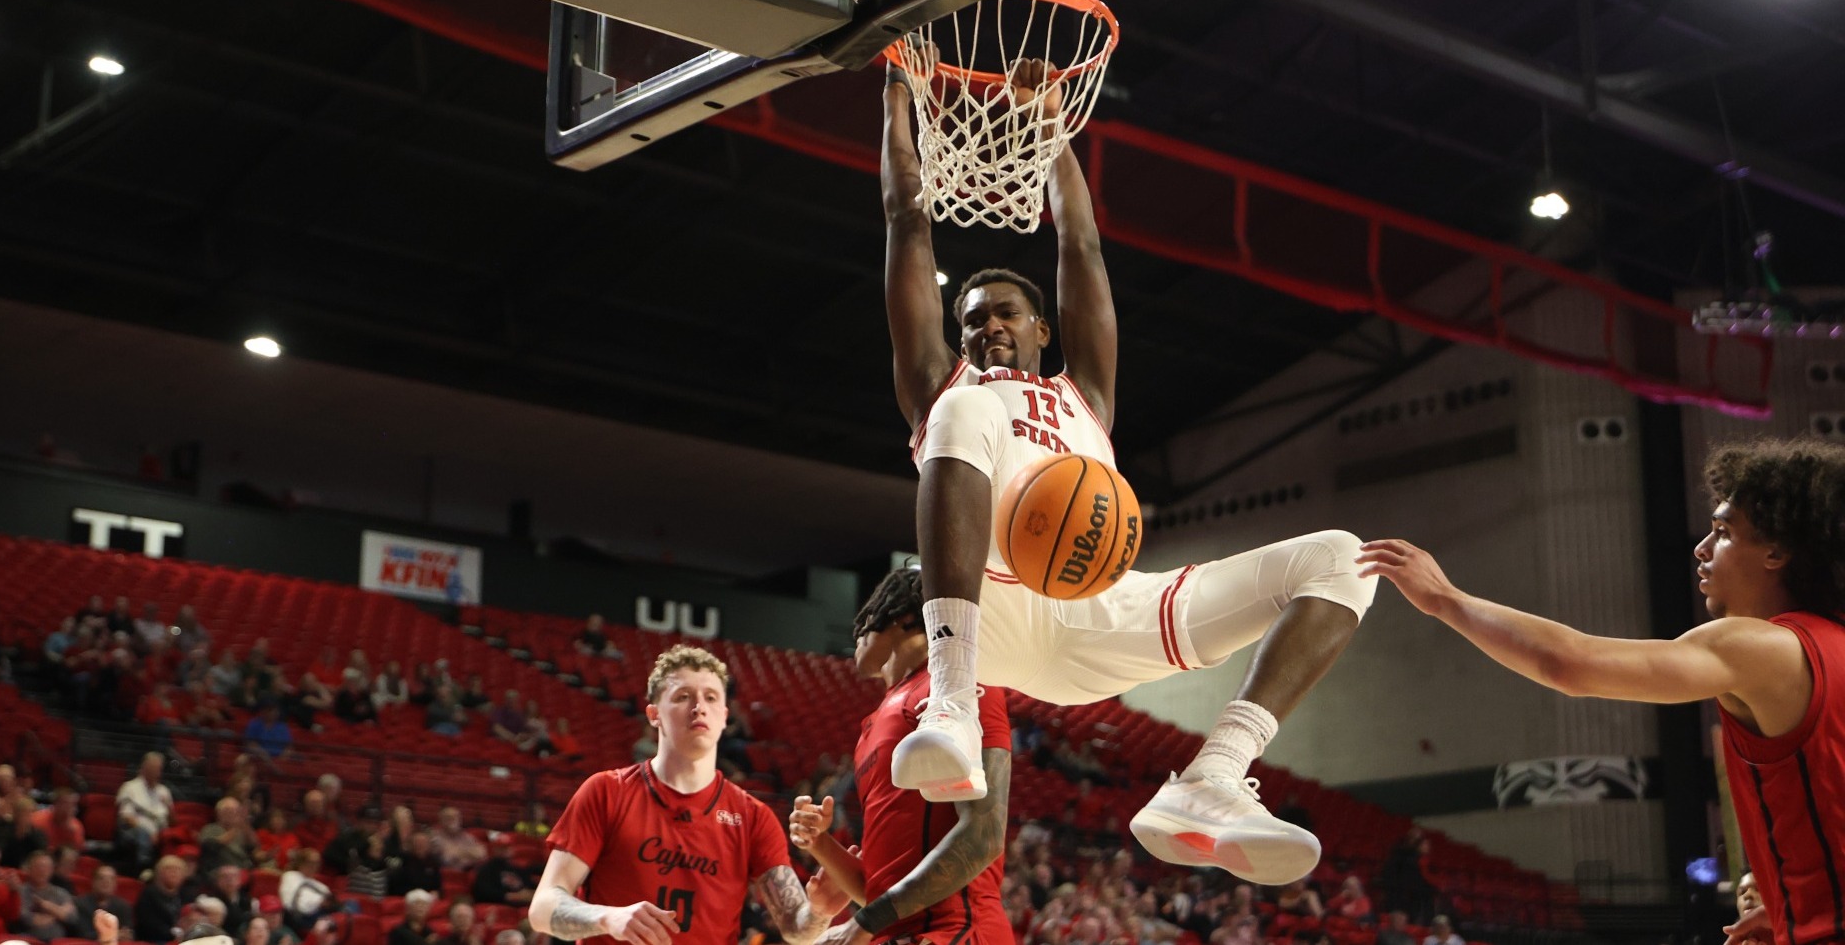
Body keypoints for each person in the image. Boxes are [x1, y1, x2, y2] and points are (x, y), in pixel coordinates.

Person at [877, 65, 1375, 885]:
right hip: (990, 610)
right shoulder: (945, 387)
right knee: (964, 415)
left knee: (1344, 556)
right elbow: (906, 219)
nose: (988, 327)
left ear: (1042, 325)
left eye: (1005, 312)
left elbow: (1080, 243)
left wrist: (1052, 127)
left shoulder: (1086, 396)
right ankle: (953, 702)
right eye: (972, 319)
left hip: (1095, 607)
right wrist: (896, 99)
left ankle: (1214, 775)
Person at [1355, 437, 1845, 945]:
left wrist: (1445, 599)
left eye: (1723, 532)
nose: (1701, 548)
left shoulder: (1760, 647)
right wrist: (1796, 906)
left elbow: (1570, 663)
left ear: (1778, 551)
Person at [529, 645, 848, 945]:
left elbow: (796, 929)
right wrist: (607, 917)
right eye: (683, 696)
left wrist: (820, 912)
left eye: (711, 698)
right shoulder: (606, 792)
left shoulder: (753, 816)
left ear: (725, 716)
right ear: (654, 714)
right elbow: (542, 908)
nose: (699, 707)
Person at [787, 566, 1014, 945]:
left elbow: (984, 837)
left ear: (904, 617)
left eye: (866, 622)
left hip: (955, 929)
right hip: (897, 931)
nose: (856, 635)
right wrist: (822, 843)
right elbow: (877, 890)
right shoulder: (871, 726)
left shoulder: (958, 687)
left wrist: (865, 923)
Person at [118, 752, 176, 870]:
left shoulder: (164, 791)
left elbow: (172, 822)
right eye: (154, 769)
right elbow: (126, 817)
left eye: (159, 769)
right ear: (144, 768)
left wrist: (169, 809)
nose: (157, 773)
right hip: (134, 830)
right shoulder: (130, 788)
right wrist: (149, 833)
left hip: (160, 832)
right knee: (142, 835)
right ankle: (143, 868)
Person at [136, 856, 191, 944]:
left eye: (178, 870)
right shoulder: (149, 894)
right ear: (159, 873)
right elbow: (147, 924)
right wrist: (173, 933)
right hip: (155, 940)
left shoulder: (186, 895)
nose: (174, 873)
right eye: (169, 869)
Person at [78, 864, 136, 939]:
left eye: (111, 879)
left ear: (115, 884)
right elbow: (84, 935)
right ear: (93, 882)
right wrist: (115, 934)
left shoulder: (123, 906)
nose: (106, 882)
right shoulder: (81, 904)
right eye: (101, 878)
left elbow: (127, 935)